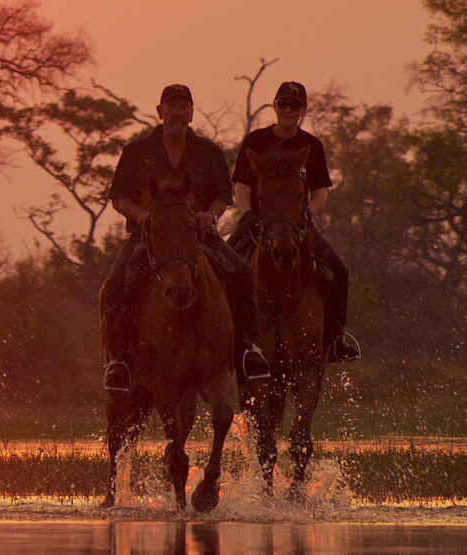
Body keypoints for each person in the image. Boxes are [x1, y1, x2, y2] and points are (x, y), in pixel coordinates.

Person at [99, 83, 271, 393]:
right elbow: (119, 198)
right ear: (160, 112)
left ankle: (246, 350)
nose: (177, 112)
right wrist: (141, 216)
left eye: (183, 106)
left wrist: (210, 215)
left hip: (198, 238)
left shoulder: (209, 152)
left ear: (191, 113)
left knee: (243, 274)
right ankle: (119, 360)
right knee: (113, 287)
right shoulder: (137, 152)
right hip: (148, 239)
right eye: (171, 106)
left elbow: (222, 196)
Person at [227, 81, 361, 363]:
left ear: (303, 110)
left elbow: (321, 191)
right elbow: (240, 187)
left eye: (295, 106)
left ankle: (336, 337)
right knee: (225, 267)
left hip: (297, 223)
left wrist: (307, 214)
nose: (289, 110)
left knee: (339, 270)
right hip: (257, 219)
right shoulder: (256, 141)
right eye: (284, 104)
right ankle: (229, 337)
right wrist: (250, 213)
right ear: (275, 107)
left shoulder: (311, 146)